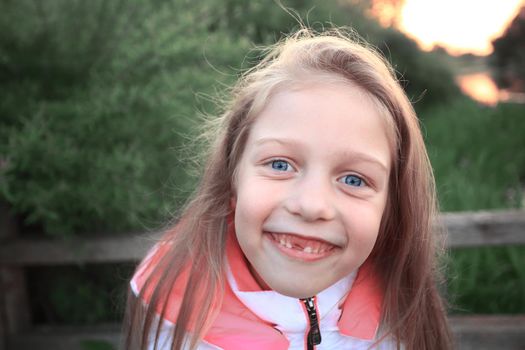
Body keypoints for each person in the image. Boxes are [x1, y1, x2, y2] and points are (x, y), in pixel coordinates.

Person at [123, 28, 453, 350]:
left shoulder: (401, 316)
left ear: (389, 208)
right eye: (280, 165)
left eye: (354, 180)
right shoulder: (175, 313)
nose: (311, 205)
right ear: (232, 179)